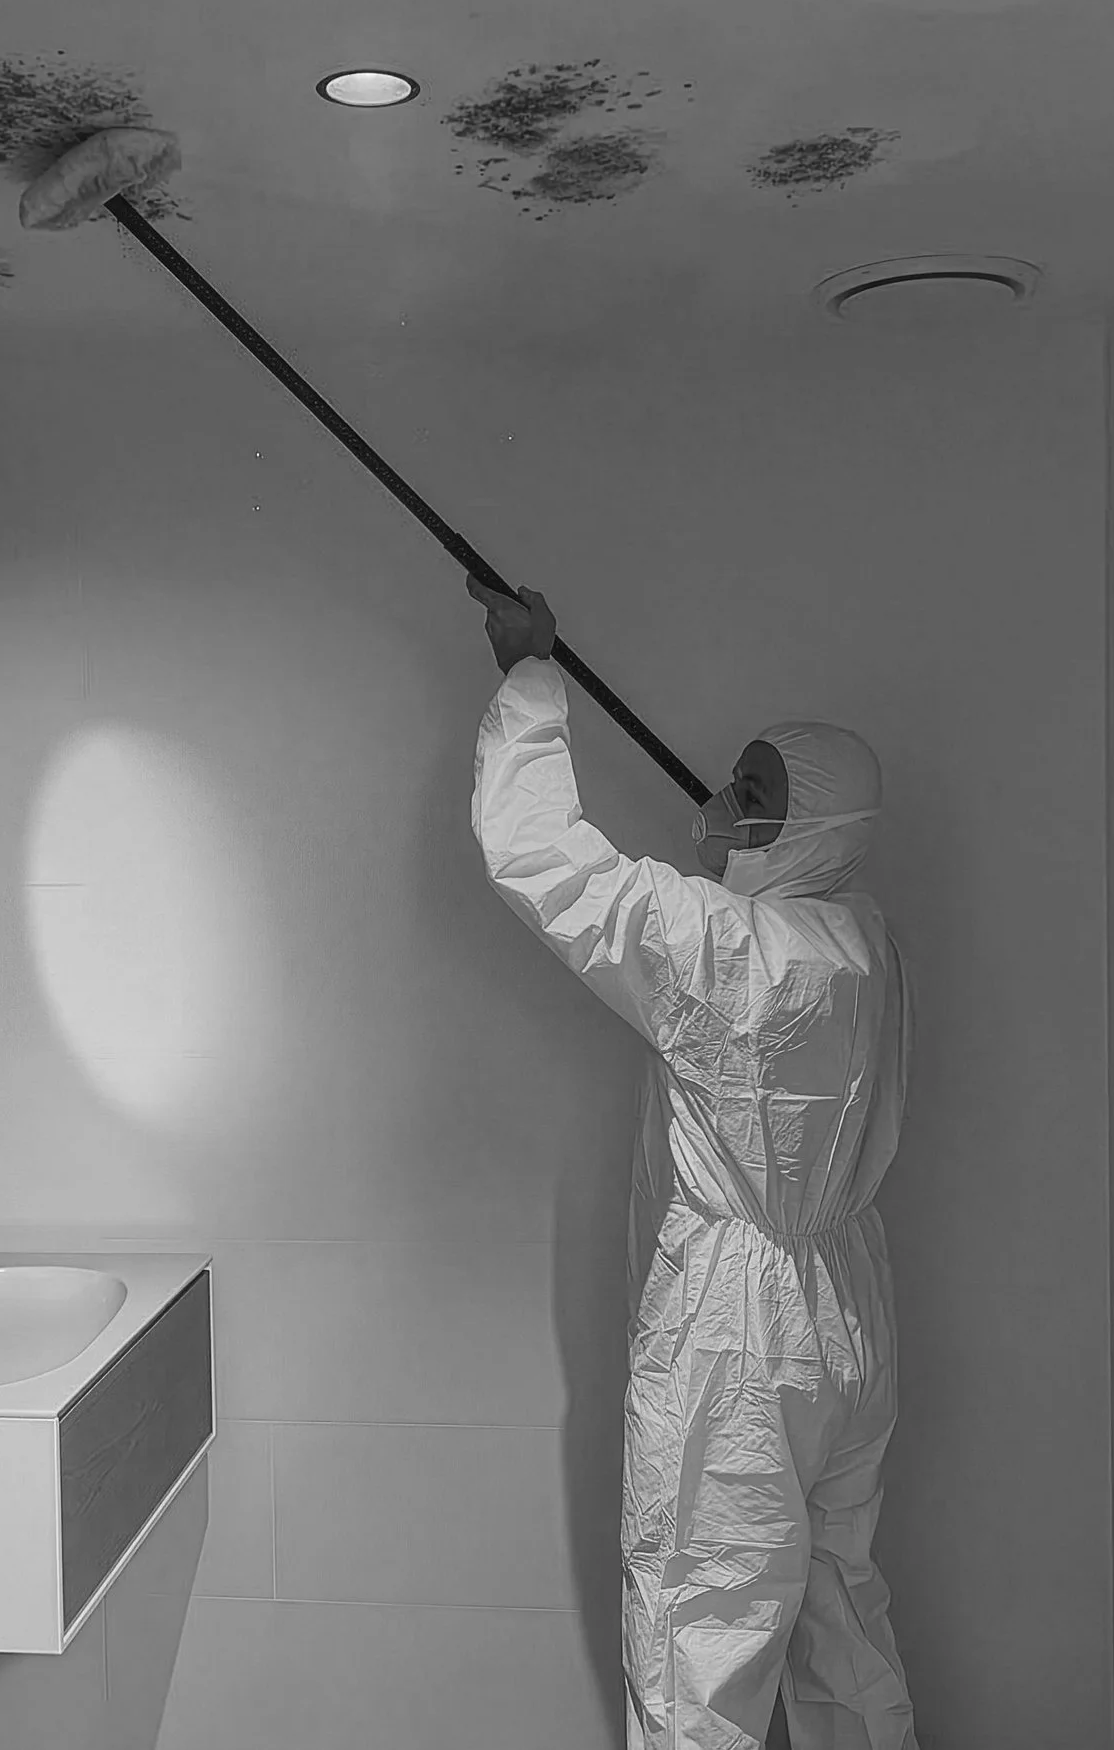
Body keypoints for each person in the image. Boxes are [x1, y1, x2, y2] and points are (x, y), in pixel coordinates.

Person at [467, 576, 921, 1750]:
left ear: (807, 824)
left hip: (737, 1338)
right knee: (841, 1617)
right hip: (846, 1315)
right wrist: (741, 848)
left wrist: (528, 673)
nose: (721, 801)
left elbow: (541, 859)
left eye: (754, 795)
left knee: (698, 1634)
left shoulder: (728, 947)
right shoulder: (861, 939)